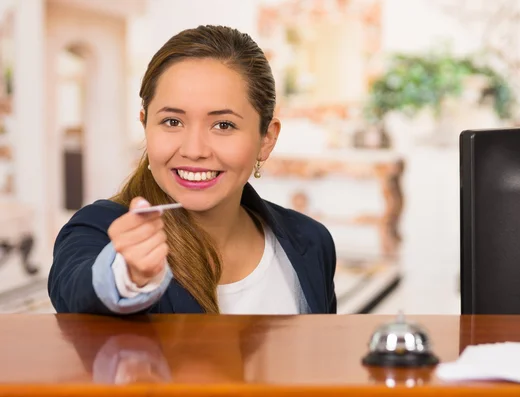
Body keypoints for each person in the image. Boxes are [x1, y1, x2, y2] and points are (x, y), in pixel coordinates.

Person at [47, 25, 337, 315]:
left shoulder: (311, 241)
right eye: (172, 122)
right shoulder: (98, 228)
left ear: (266, 139)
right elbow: (77, 287)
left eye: (223, 125)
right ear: (145, 125)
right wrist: (127, 275)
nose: (194, 150)